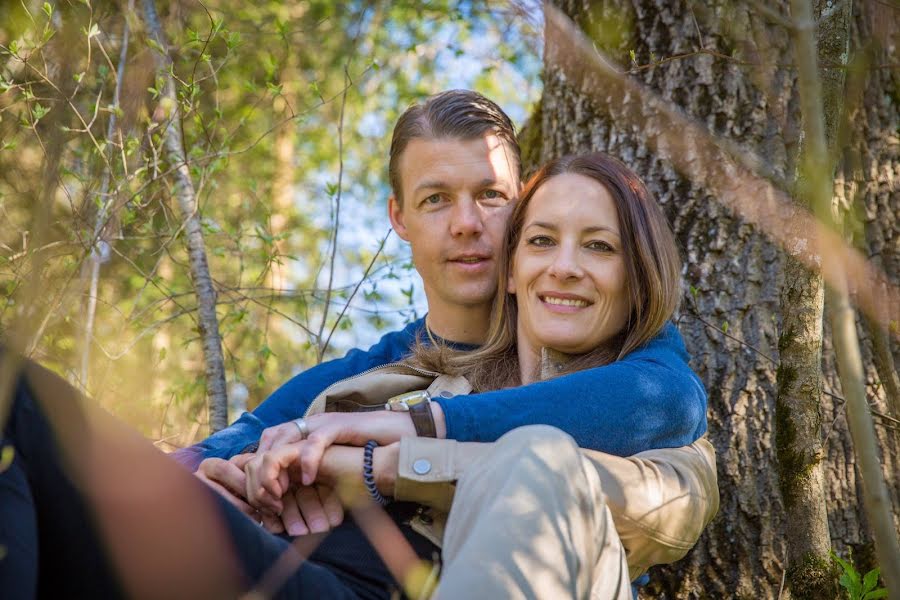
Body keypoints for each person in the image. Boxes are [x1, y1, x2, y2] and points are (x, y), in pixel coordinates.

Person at [0, 150, 716, 599]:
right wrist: (230, 474)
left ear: (638, 279)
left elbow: (655, 426)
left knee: (538, 453)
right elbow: (262, 433)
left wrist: (384, 462)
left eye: (599, 247)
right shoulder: (402, 375)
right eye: (541, 241)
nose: (564, 266)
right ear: (511, 270)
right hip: (286, 571)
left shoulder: (664, 429)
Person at [178, 90, 707, 542]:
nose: (466, 224)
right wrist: (211, 482)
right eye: (436, 199)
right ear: (398, 217)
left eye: (491, 195)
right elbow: (226, 445)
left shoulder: (599, 336)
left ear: (521, 207)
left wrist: (399, 435)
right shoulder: (374, 373)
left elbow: (669, 399)